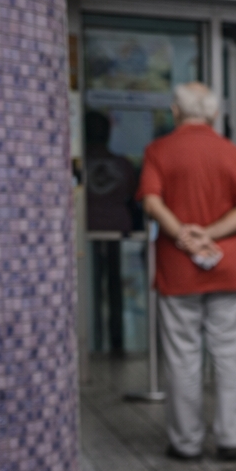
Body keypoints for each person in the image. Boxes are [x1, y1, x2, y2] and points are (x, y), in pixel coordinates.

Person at [137, 83, 236, 462]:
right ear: (213, 114)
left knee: (182, 358)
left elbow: (151, 201)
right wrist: (209, 233)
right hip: (228, 267)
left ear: (176, 111)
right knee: (231, 356)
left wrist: (183, 235)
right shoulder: (234, 154)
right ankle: (231, 438)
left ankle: (186, 442)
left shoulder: (158, 151)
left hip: (178, 271)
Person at [83, 110, 140, 355]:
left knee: (90, 287)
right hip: (118, 229)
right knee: (115, 287)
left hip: (87, 229)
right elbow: (135, 194)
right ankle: (117, 343)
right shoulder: (122, 164)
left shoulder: (78, 163)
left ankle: (93, 340)